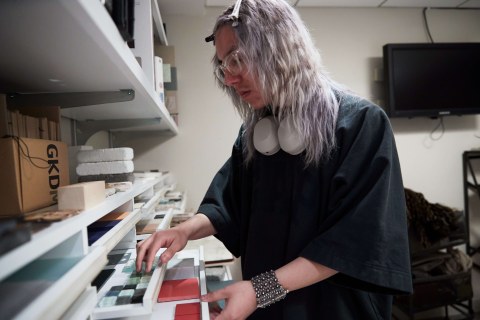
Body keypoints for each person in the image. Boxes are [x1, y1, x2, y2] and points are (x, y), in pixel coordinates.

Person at [136, 0, 413, 319]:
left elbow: (351, 242)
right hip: (267, 306)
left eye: (238, 60)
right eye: (225, 65)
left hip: (336, 309)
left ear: (280, 50)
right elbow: (229, 204)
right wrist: (185, 230)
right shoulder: (256, 136)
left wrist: (259, 290)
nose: (229, 79)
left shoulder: (362, 125)